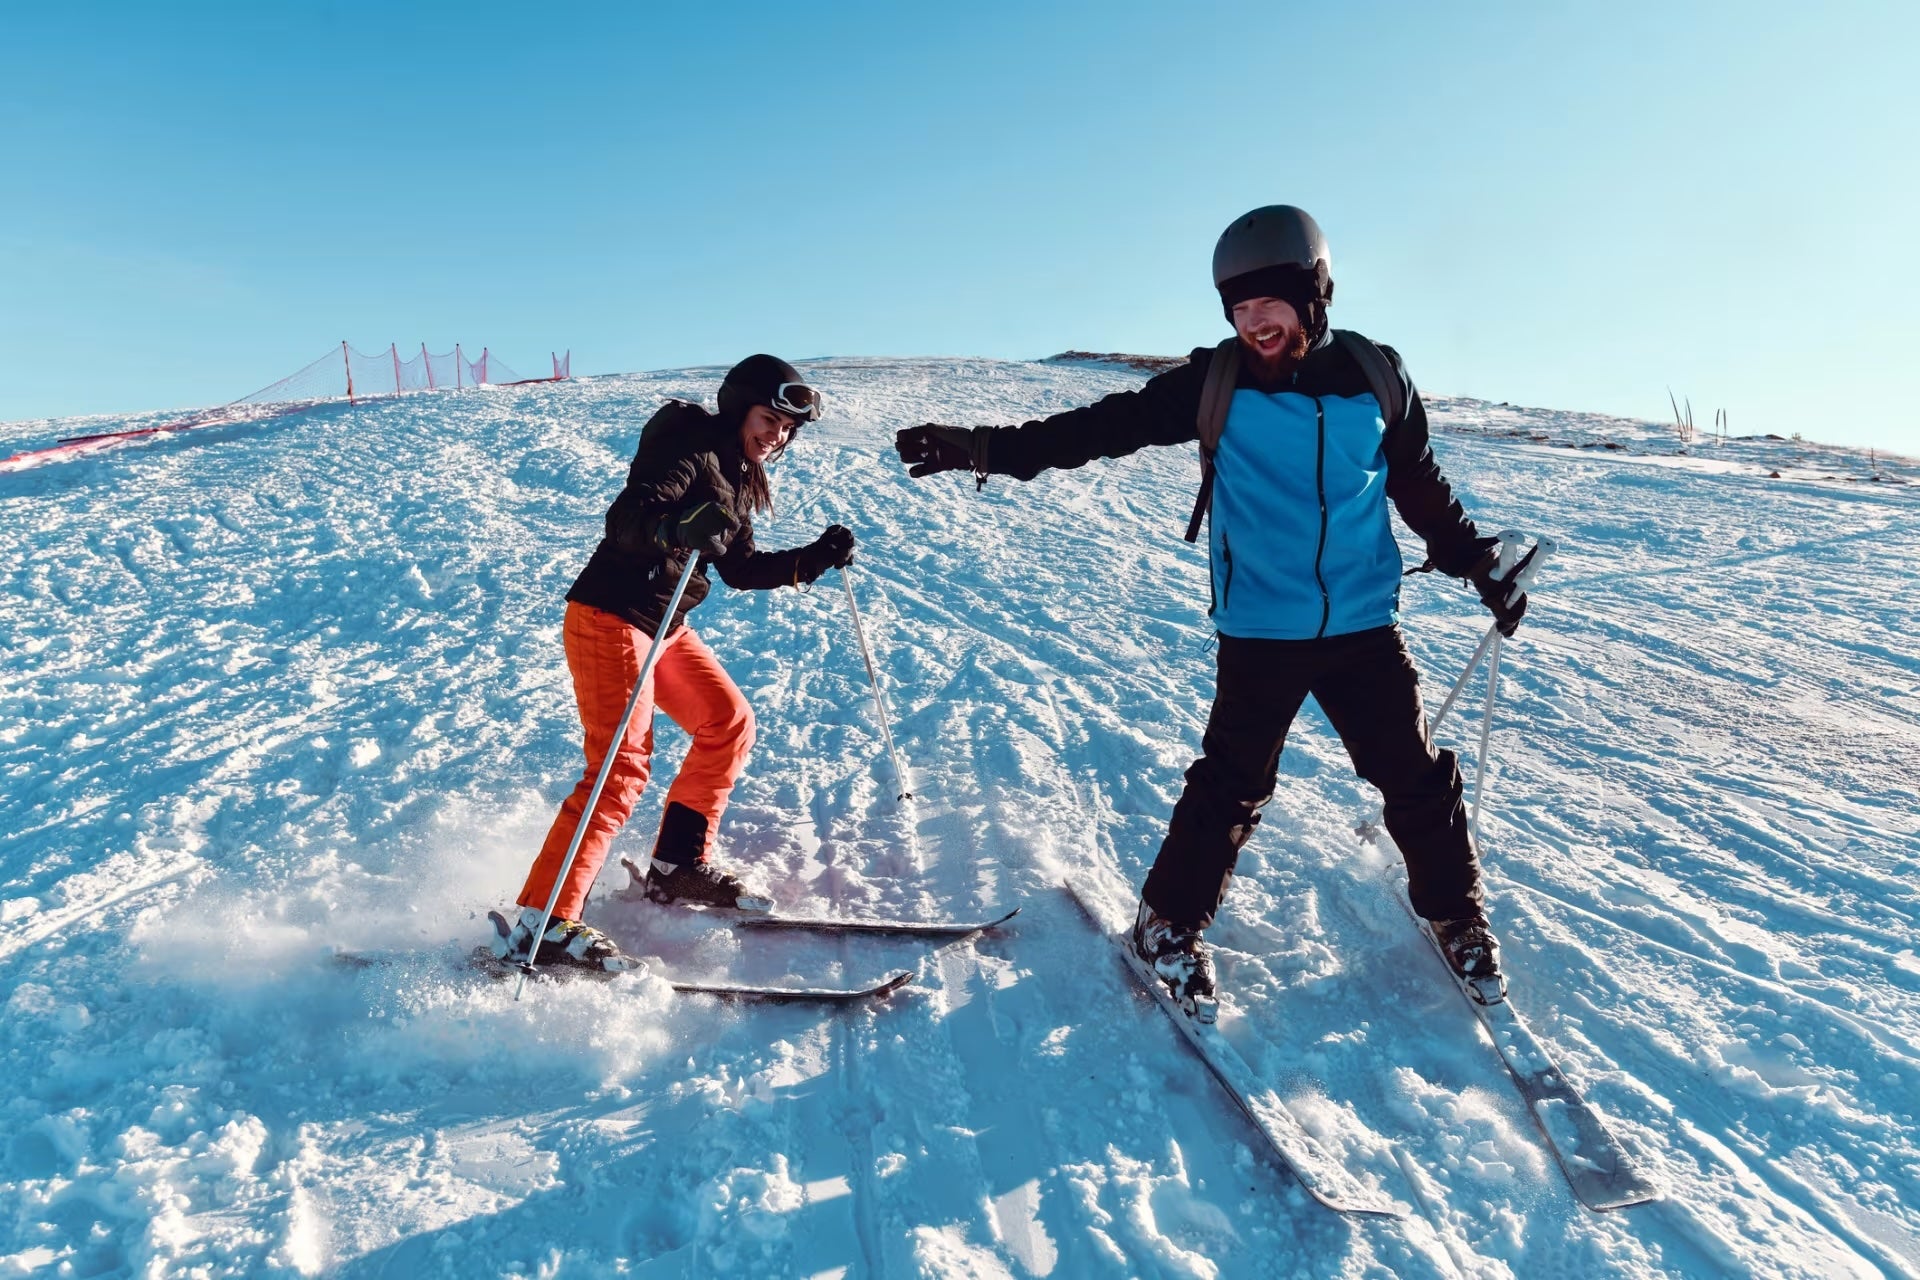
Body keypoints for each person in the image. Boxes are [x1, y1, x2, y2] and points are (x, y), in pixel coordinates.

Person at [894, 206, 1528, 1020]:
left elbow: (1418, 483)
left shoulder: (1375, 375)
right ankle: (1166, 923)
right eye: (1238, 307)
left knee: (1415, 775)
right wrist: (985, 448)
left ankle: (1456, 915)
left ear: (1315, 295)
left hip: (1364, 623)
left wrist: (1477, 563)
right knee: (1232, 784)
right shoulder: (1216, 382)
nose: (1254, 322)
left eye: (1269, 302)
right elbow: (1098, 429)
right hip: (1262, 627)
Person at [497, 354, 856, 971]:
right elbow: (626, 520)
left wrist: (814, 558)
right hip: (611, 615)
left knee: (727, 722)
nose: (777, 436)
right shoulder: (688, 442)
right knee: (620, 768)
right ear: (739, 407)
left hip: (663, 628)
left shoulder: (737, 475)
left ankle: (677, 866)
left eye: (786, 429)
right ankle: (545, 920)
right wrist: (674, 528)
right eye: (769, 420)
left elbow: (741, 568)